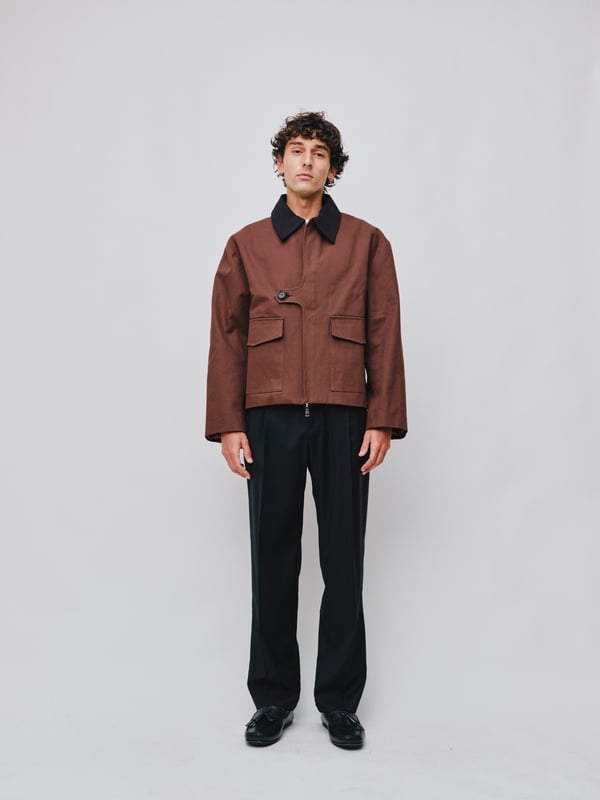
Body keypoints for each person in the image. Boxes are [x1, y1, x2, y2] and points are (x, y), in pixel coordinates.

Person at [205, 111, 407, 749]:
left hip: (346, 415)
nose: (307, 161)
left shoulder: (367, 243)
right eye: (297, 150)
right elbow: (227, 337)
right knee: (272, 557)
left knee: (344, 560)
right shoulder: (246, 245)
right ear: (280, 163)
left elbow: (385, 330)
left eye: (320, 153)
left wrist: (383, 417)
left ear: (333, 169)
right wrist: (229, 425)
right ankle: (272, 698)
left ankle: (339, 702)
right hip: (268, 416)